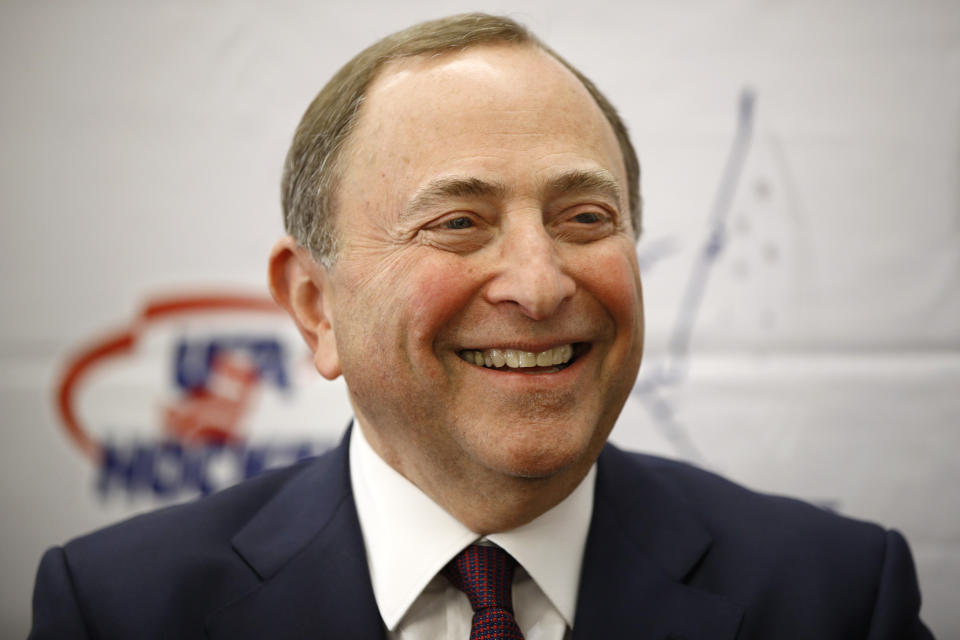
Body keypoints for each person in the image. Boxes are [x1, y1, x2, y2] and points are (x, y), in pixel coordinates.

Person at [29, 13, 933, 640]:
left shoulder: (836, 597)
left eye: (584, 217)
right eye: (457, 222)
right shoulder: (119, 610)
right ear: (314, 304)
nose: (539, 286)